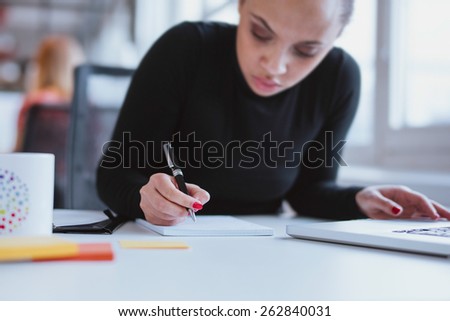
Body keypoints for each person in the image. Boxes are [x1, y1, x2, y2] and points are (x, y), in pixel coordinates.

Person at [97, 0, 450, 226]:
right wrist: (144, 197)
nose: (275, 66)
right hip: (162, 248)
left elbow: (308, 192)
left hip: (264, 249)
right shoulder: (186, 49)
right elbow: (113, 174)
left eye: (307, 50)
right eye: (260, 33)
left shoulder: (339, 78)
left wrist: (359, 200)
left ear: (335, 38)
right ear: (240, 6)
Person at [14, 35, 85, 151]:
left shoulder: (35, 102)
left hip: (39, 168)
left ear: (41, 65)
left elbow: (19, 150)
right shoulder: (86, 105)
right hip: (79, 170)